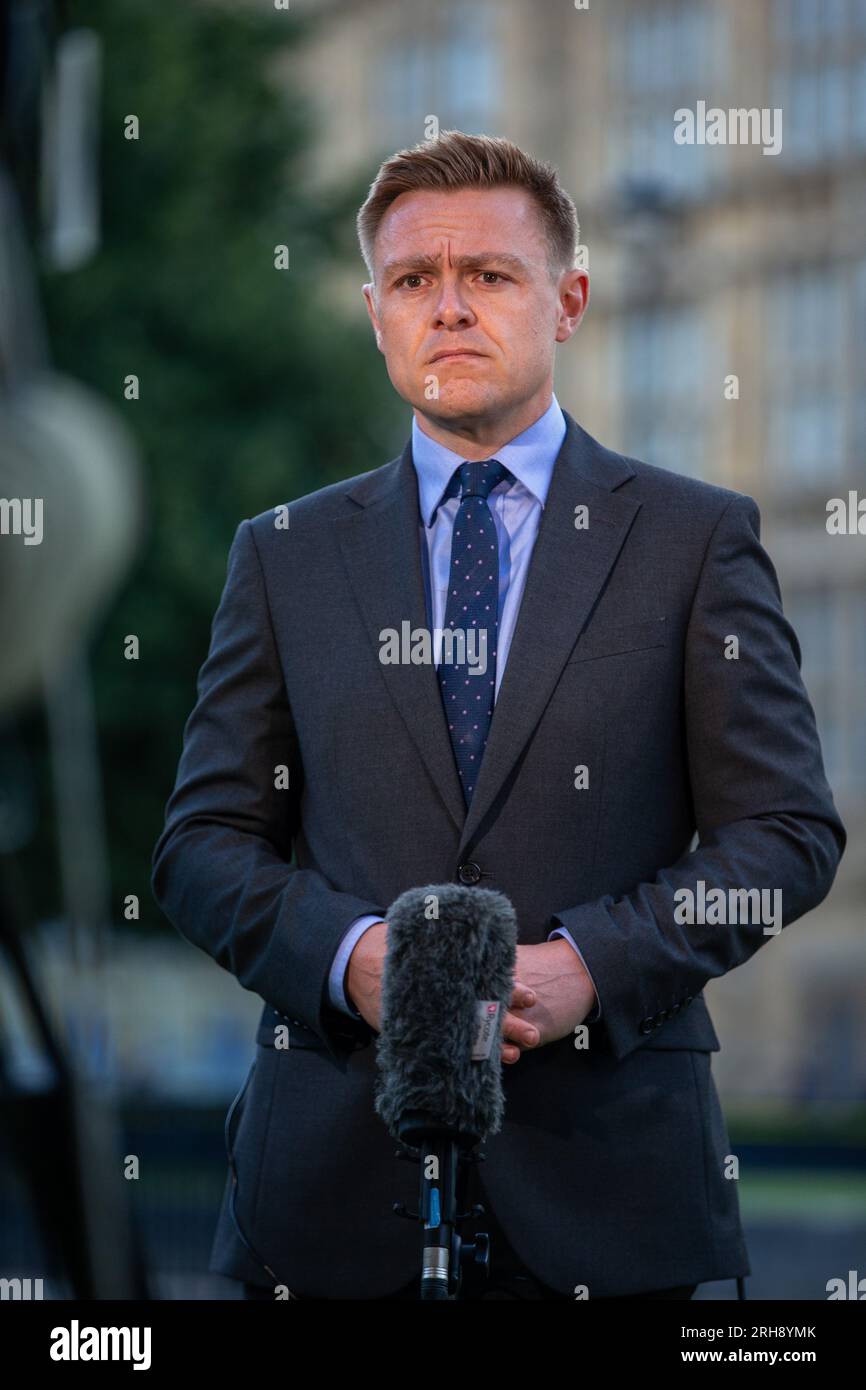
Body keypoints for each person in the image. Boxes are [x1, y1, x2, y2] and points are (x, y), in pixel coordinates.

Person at [151, 130, 846, 1301]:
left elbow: (784, 833)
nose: (450, 308)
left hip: (610, 1186)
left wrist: (591, 962)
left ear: (566, 298)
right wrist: (351, 957)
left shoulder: (691, 540)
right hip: (320, 1200)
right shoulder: (281, 555)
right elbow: (199, 848)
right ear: (375, 314)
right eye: (415, 280)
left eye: (490, 275)